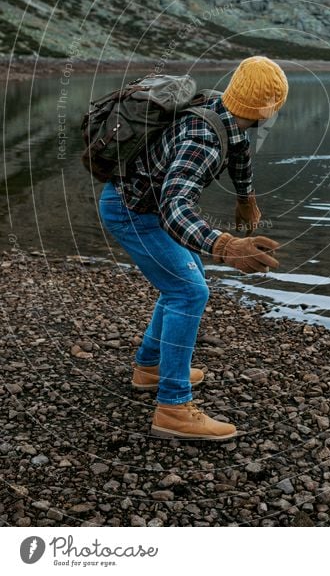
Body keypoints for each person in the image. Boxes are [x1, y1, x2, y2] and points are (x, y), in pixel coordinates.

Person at [98, 56, 289, 441]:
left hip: (140, 205)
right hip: (133, 212)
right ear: (267, 110)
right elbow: (173, 210)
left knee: (186, 281)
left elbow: (239, 151)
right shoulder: (201, 139)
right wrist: (225, 246)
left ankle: (150, 367)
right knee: (188, 290)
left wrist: (245, 197)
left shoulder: (224, 108)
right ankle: (173, 408)